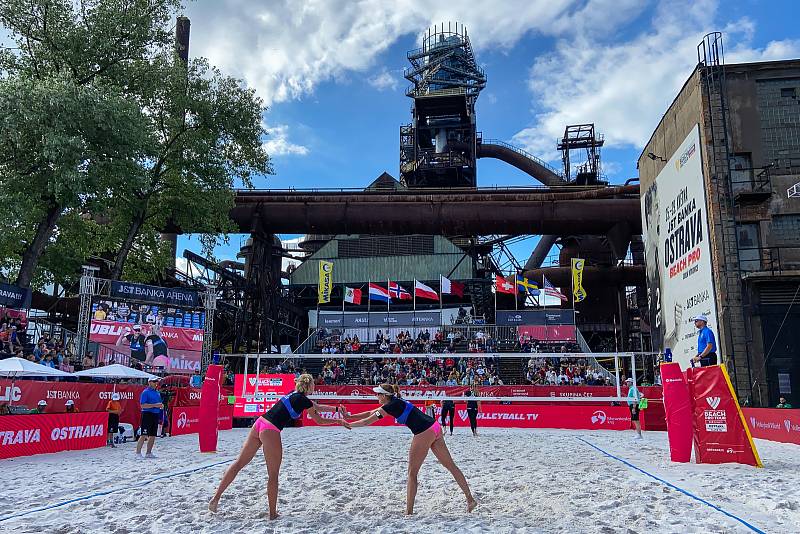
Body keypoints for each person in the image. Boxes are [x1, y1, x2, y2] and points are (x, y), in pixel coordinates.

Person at [208, 374, 347, 519]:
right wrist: (338, 421)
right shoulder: (303, 400)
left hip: (260, 423)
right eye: (314, 385)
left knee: (238, 463)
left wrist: (336, 409)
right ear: (310, 386)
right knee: (273, 475)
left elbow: (317, 407)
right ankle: (273, 514)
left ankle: (215, 498)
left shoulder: (293, 394)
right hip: (270, 429)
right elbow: (319, 420)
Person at [342, 384, 477, 515]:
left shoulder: (391, 406)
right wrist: (350, 416)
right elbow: (371, 413)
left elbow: (367, 421)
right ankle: (470, 500)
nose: (376, 395)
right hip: (435, 427)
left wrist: (350, 425)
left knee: (412, 473)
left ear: (385, 396)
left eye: (378, 394)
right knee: (451, 466)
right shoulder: (394, 402)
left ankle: (409, 511)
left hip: (424, 431)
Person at [136, 377, 164, 459]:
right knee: (144, 434)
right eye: (154, 381)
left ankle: (148, 453)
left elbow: (159, 403)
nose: (156, 383)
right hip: (147, 414)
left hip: (155, 414)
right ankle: (138, 453)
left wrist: (161, 406)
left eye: (157, 381)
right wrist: (155, 405)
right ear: (149, 382)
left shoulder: (157, 392)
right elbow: (142, 405)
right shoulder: (145, 392)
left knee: (152, 435)